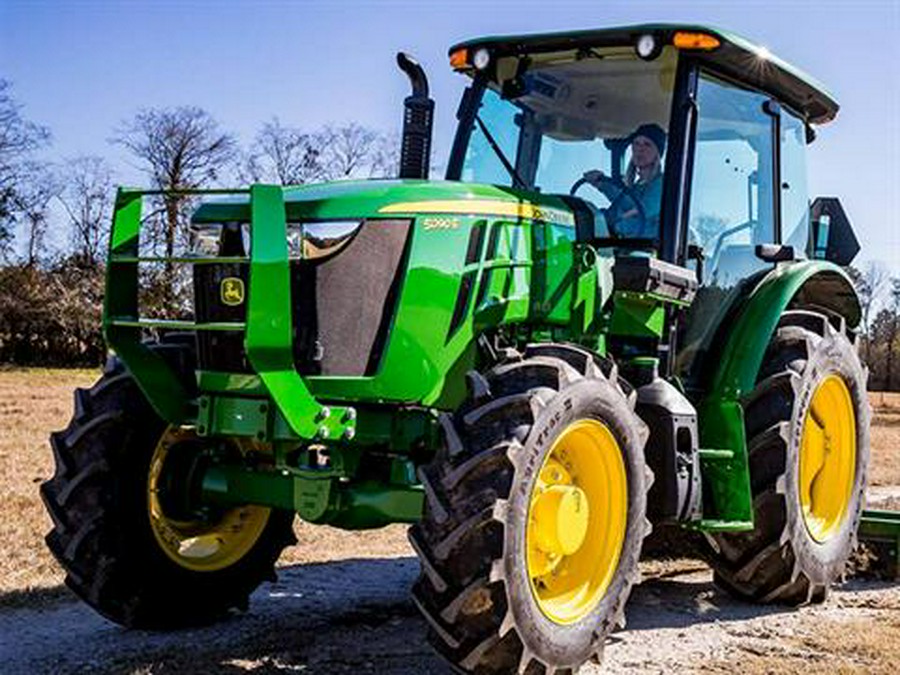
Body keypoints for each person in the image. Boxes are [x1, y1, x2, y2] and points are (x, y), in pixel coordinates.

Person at [582, 123, 666, 239]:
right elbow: (614, 214)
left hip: (644, 250)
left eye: (647, 144)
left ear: (658, 152)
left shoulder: (662, 185)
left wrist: (604, 185)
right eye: (636, 144)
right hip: (623, 247)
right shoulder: (635, 187)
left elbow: (639, 211)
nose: (640, 149)